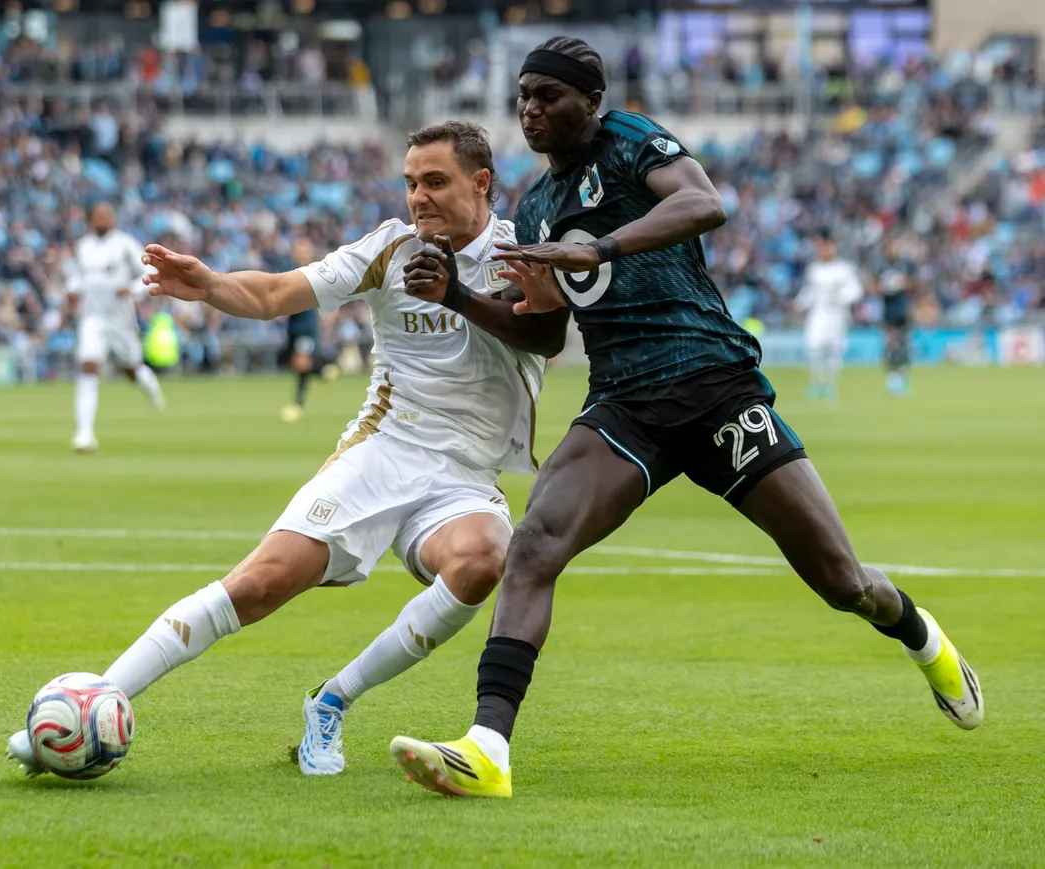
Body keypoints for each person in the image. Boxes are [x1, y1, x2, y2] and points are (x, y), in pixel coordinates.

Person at [389, 37, 981, 800]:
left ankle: (919, 634)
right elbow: (545, 330)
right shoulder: (537, 204)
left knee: (841, 581)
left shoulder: (631, 141)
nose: (531, 110)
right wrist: (461, 300)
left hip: (714, 387)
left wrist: (598, 247)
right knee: (534, 542)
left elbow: (706, 203)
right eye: (524, 98)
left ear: (590, 101)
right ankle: (488, 745)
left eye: (548, 95)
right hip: (625, 404)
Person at [5, 121, 569, 777]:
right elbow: (277, 293)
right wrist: (211, 284)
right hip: (380, 452)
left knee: (482, 560)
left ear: (481, 183)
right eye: (411, 183)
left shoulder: (521, 253)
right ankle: (94, 700)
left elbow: (546, 337)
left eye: (435, 181)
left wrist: (462, 294)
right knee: (258, 584)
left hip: (464, 475)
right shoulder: (386, 250)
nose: (418, 197)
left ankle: (331, 701)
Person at [65, 202, 166, 453]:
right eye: (98, 216)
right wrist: (72, 290)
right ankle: (84, 434)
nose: (102, 220)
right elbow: (79, 276)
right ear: (90, 220)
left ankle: (151, 389)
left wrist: (131, 289)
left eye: (106, 216)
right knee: (89, 366)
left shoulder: (125, 244)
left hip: (120, 320)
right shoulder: (83, 246)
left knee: (131, 369)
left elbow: (149, 272)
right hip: (93, 318)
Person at [795, 229, 863, 401]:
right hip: (817, 315)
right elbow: (808, 292)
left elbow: (855, 291)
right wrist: (799, 303)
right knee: (814, 348)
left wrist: (840, 297)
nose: (824, 250)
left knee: (835, 351)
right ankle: (816, 383)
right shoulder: (814, 269)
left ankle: (831, 386)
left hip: (837, 316)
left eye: (828, 246)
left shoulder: (844, 268)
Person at [278, 236, 340, 423]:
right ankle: (323, 371)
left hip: (305, 328)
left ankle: (299, 401)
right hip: (293, 326)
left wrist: (332, 311)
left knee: (301, 364)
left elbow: (333, 290)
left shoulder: (317, 271)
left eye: (303, 250)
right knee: (293, 363)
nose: (299, 253)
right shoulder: (292, 271)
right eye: (297, 250)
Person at [876, 238, 916, 395]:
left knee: (904, 344)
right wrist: (884, 286)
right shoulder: (881, 266)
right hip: (888, 310)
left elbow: (915, 285)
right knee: (890, 344)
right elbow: (874, 286)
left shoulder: (906, 265)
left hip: (903, 310)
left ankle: (904, 376)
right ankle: (892, 376)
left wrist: (903, 284)